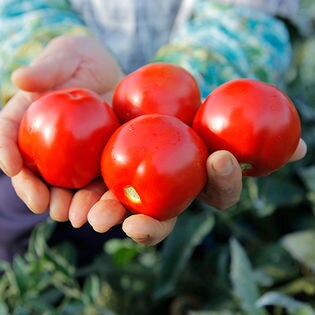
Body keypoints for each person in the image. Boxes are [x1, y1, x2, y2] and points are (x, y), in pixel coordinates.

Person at [0, 0, 307, 263]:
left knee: (186, 251)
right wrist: (45, 45)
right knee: (19, 233)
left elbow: (247, 14)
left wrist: (205, 86)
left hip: (186, 127)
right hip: (94, 112)